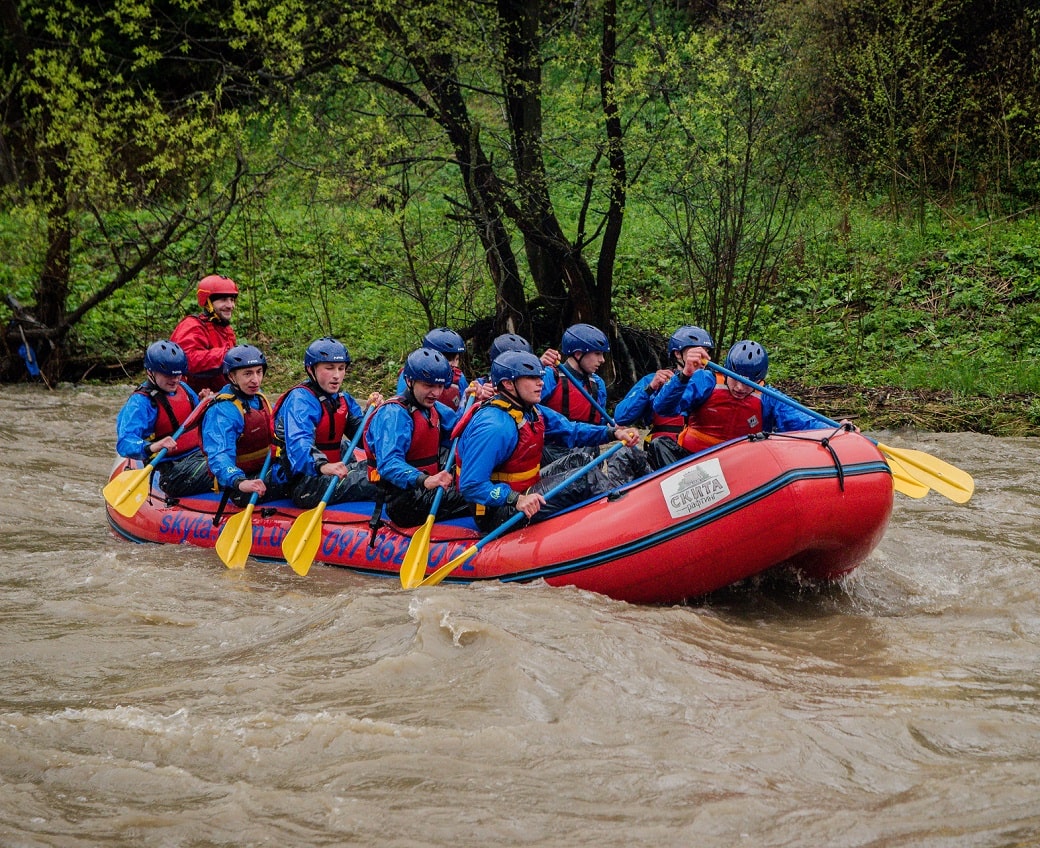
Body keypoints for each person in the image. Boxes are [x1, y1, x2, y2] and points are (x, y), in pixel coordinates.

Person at [456, 351, 643, 534]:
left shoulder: (530, 410)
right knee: (587, 479)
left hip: (525, 489)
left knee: (580, 460)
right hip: (500, 511)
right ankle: (626, 526)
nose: (540, 383)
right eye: (531, 378)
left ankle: (596, 521)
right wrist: (515, 499)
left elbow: (571, 430)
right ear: (508, 384)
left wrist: (613, 433)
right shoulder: (494, 426)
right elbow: (471, 485)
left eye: (540, 377)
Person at [651, 339, 846, 466]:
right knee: (660, 444)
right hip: (692, 462)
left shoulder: (767, 397)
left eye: (749, 383)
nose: (740, 388)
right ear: (727, 370)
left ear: (759, 380)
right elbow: (663, 407)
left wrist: (838, 429)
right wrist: (684, 375)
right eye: (736, 379)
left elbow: (805, 421)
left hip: (738, 472)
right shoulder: (705, 381)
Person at [364, 348, 470, 529]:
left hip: (425, 487)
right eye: (428, 386)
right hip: (404, 501)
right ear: (409, 381)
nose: (435, 393)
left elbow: (461, 428)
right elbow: (389, 463)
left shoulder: (432, 407)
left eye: (439, 386)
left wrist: (472, 401)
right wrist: (424, 480)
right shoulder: (394, 414)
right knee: (474, 497)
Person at [273, 337, 383, 509]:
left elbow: (365, 440)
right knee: (377, 482)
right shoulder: (300, 400)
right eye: (329, 368)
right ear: (311, 370)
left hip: (334, 470)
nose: (336, 375)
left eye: (341, 368)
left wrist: (373, 416)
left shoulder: (342, 399)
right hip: (307, 483)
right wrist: (322, 466)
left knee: (382, 470)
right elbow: (299, 443)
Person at [114, 340, 214, 497]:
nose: (174, 380)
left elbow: (199, 421)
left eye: (178, 374)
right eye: (168, 375)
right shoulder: (140, 403)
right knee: (218, 469)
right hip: (169, 468)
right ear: (150, 372)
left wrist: (204, 404)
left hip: (198, 453)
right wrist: (153, 446)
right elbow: (124, 444)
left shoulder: (184, 389)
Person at [614, 325, 715, 468]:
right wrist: (650, 388)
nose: (702, 356)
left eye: (706, 351)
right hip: (657, 455)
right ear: (677, 354)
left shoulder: (708, 380)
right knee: (621, 453)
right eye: (696, 351)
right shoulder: (653, 380)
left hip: (693, 454)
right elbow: (621, 417)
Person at [200, 344, 286, 506]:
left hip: (266, 468)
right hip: (242, 485)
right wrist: (239, 481)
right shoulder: (223, 410)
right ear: (232, 376)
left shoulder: (259, 399)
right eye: (248, 374)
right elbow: (219, 455)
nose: (255, 380)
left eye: (259, 372)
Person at [538, 323, 610, 463]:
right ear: (578, 354)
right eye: (597, 353)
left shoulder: (598, 384)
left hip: (587, 450)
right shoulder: (550, 375)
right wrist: (538, 367)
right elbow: (526, 408)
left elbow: (601, 424)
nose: (602, 360)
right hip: (553, 453)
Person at [170, 274, 239, 394]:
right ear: (208, 302)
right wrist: (227, 355)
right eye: (223, 300)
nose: (230, 305)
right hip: (195, 396)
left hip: (221, 394)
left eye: (232, 300)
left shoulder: (226, 330)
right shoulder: (192, 326)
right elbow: (186, 361)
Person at [395, 327, 469, 410]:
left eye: (457, 359)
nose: (455, 365)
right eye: (449, 359)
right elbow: (402, 404)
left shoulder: (459, 377)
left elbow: (465, 407)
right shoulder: (412, 374)